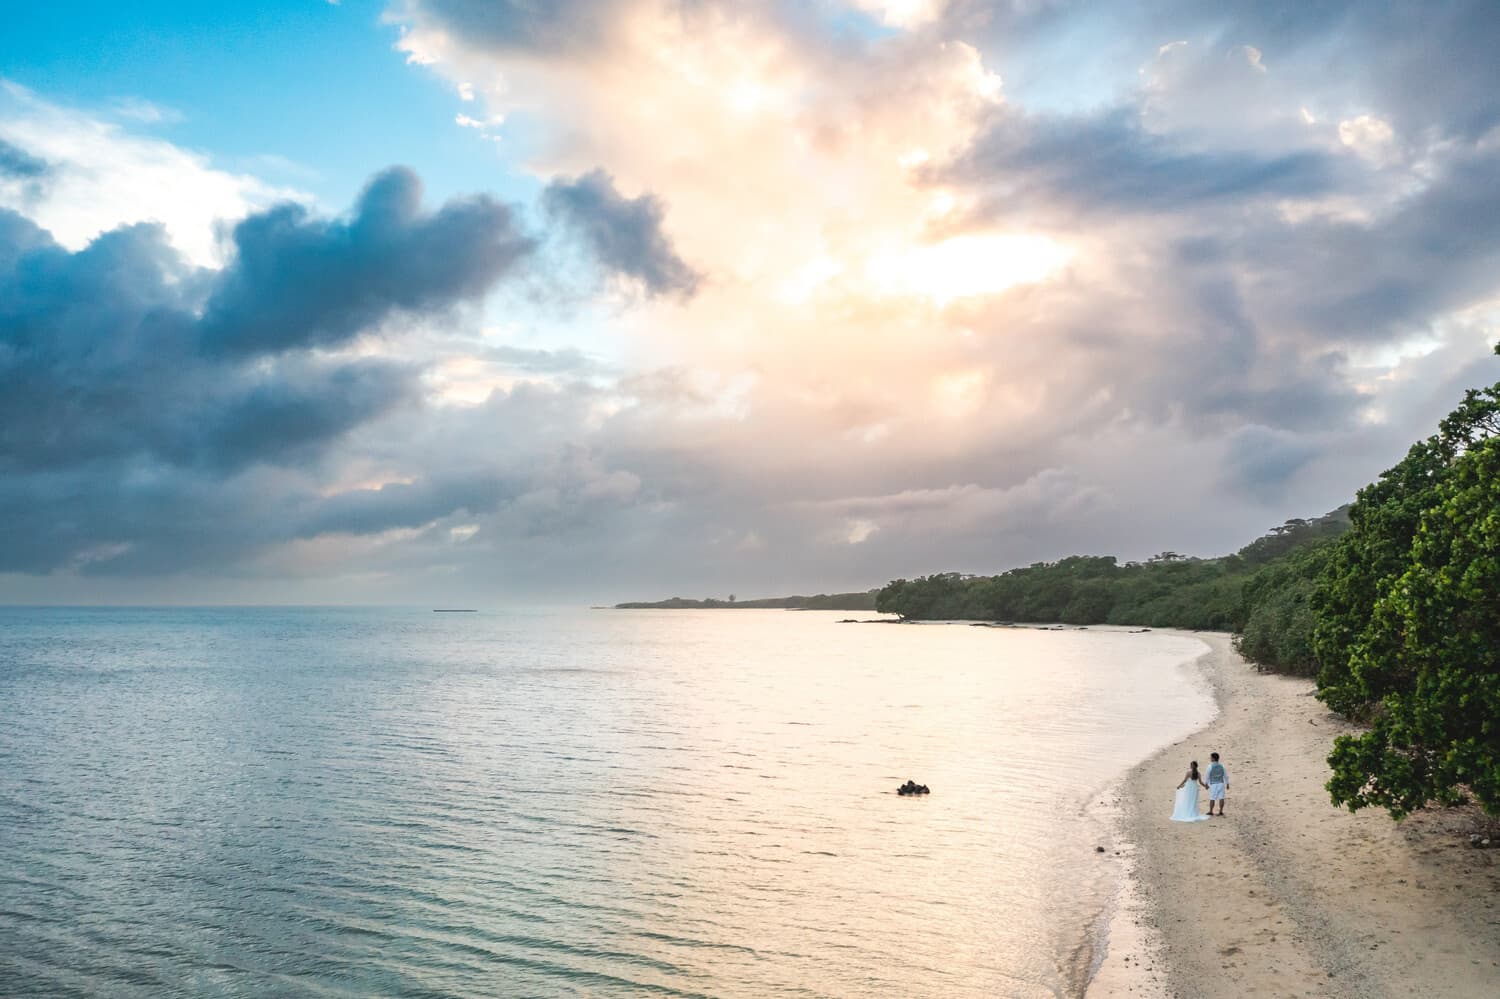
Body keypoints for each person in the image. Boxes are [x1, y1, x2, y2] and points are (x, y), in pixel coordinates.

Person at [1205, 752, 1229, 816]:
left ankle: (1211, 811)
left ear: (1213, 758)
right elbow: (1225, 775)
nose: (1210, 758)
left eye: (1211, 757)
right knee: (1221, 798)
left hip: (1213, 784)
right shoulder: (1222, 766)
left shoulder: (1210, 766)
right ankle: (1221, 811)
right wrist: (1227, 783)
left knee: (1212, 798)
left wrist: (1206, 784)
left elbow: (1207, 776)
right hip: (1221, 783)